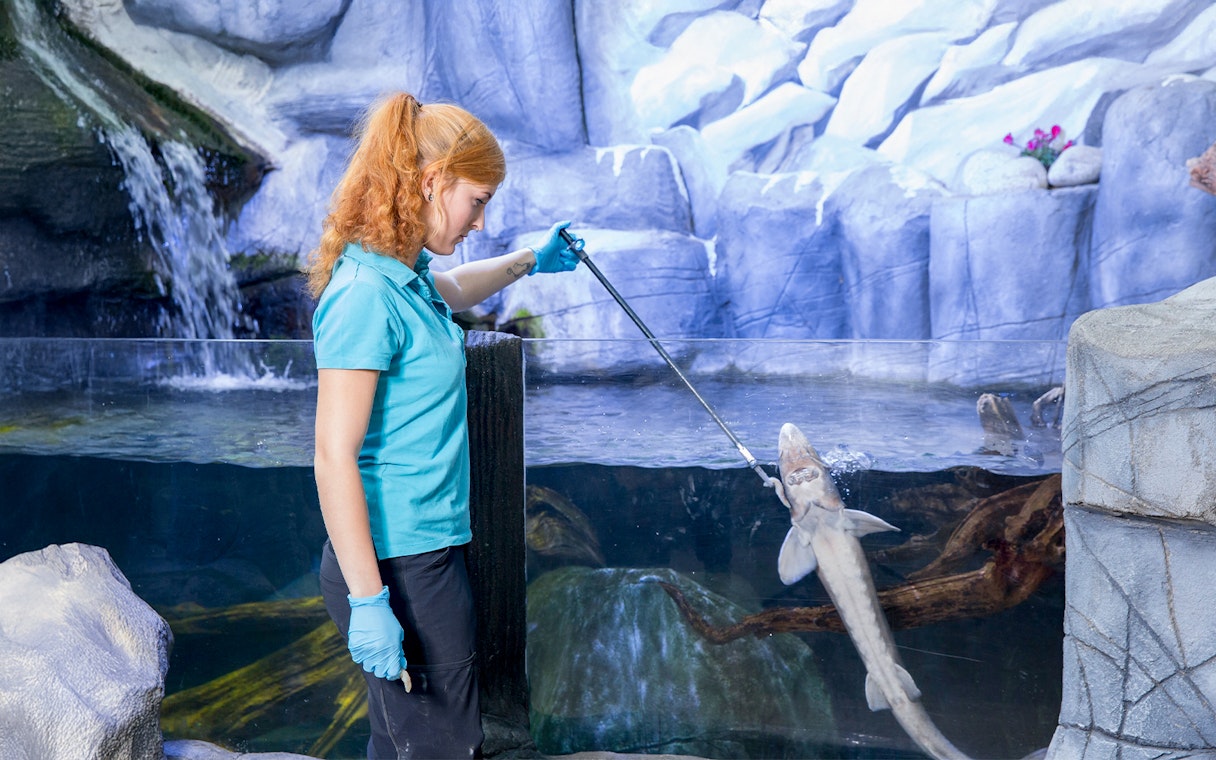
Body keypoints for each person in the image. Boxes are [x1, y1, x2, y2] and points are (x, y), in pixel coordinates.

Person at [305, 92, 582, 759]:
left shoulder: (404, 277)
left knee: (419, 742)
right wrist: (371, 601)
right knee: (434, 747)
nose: (480, 222)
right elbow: (332, 455)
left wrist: (528, 261)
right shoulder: (364, 295)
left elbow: (453, 291)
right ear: (433, 183)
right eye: (478, 200)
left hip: (426, 552)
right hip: (396, 566)